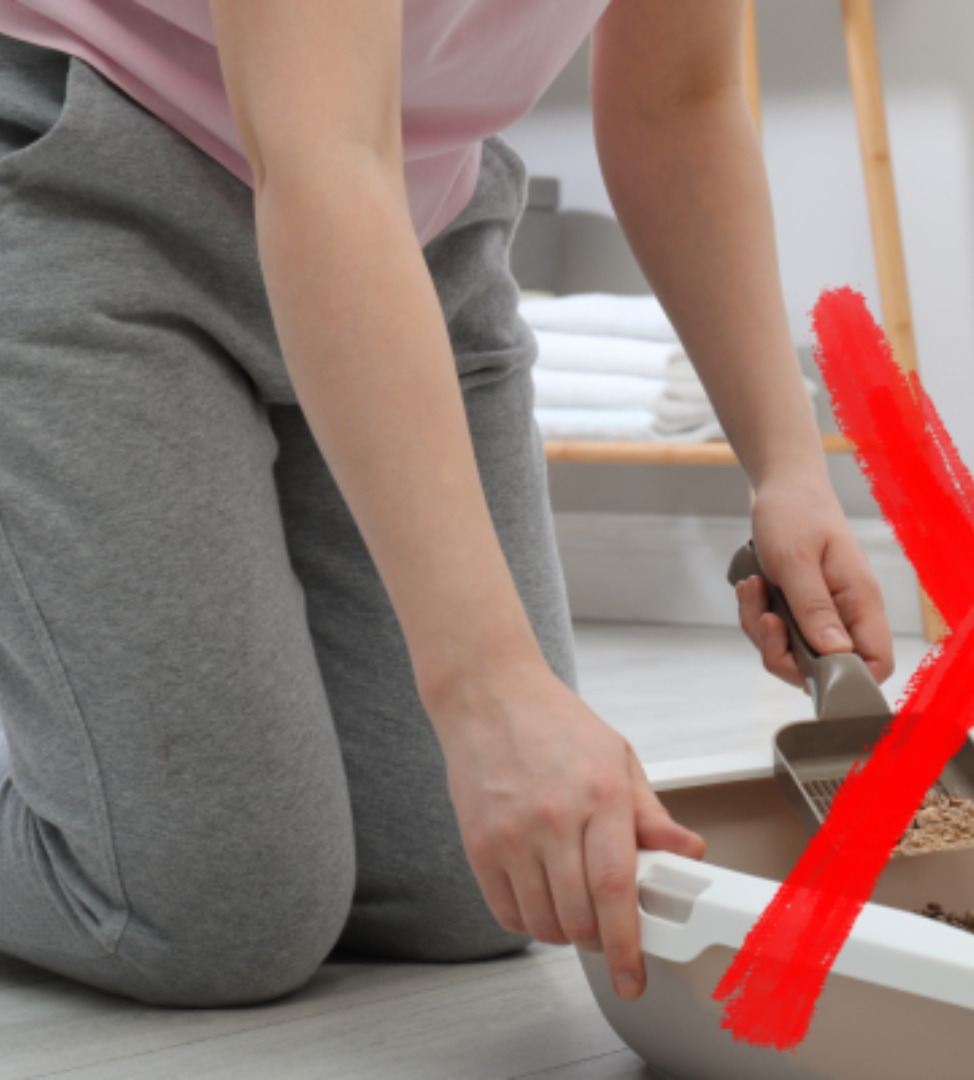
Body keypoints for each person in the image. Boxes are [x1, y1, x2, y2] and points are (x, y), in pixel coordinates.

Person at [0, 0, 893, 1009]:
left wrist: (786, 466)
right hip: (85, 176)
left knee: (481, 890)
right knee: (215, 911)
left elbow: (675, 102)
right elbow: (321, 151)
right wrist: (488, 688)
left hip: (416, 220)